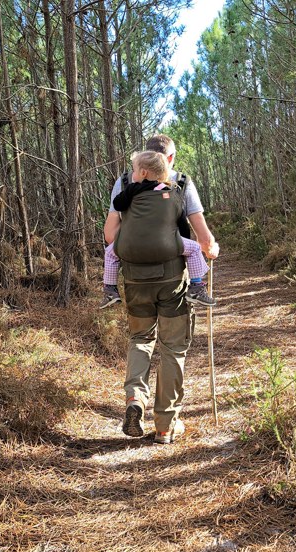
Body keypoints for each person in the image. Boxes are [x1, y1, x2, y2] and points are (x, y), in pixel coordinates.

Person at [104, 134, 220, 444]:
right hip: (172, 279)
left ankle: (134, 401)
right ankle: (166, 425)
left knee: (140, 338)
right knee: (172, 347)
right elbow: (203, 239)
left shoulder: (124, 182)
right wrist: (211, 249)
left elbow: (109, 234)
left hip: (134, 278)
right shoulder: (181, 183)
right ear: (169, 159)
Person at [99, 150, 215, 309]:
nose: (132, 173)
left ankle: (110, 289)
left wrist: (128, 194)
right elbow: (182, 224)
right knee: (194, 248)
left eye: (134, 169)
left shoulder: (132, 189)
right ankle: (196, 286)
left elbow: (118, 205)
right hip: (166, 247)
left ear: (143, 172)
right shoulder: (173, 192)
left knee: (110, 253)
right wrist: (179, 243)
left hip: (131, 247)